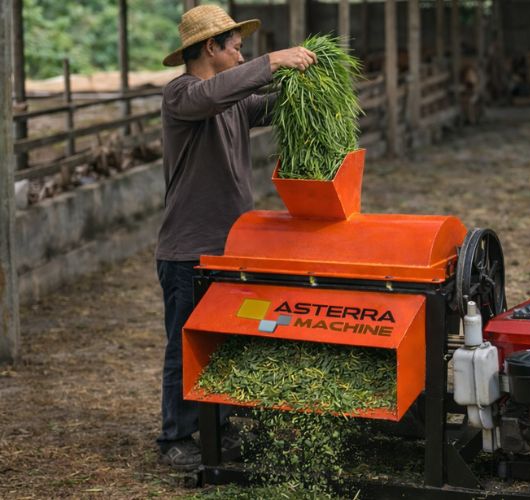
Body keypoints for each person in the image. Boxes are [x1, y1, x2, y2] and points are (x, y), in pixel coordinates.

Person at [155, 4, 318, 470]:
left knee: (225, 341)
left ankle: (217, 425)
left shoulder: (230, 104)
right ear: (211, 47)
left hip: (229, 252)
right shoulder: (182, 95)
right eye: (237, 47)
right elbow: (215, 94)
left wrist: (309, 86)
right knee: (186, 344)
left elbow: (258, 101)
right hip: (188, 251)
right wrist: (274, 61)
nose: (243, 54)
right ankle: (176, 436)